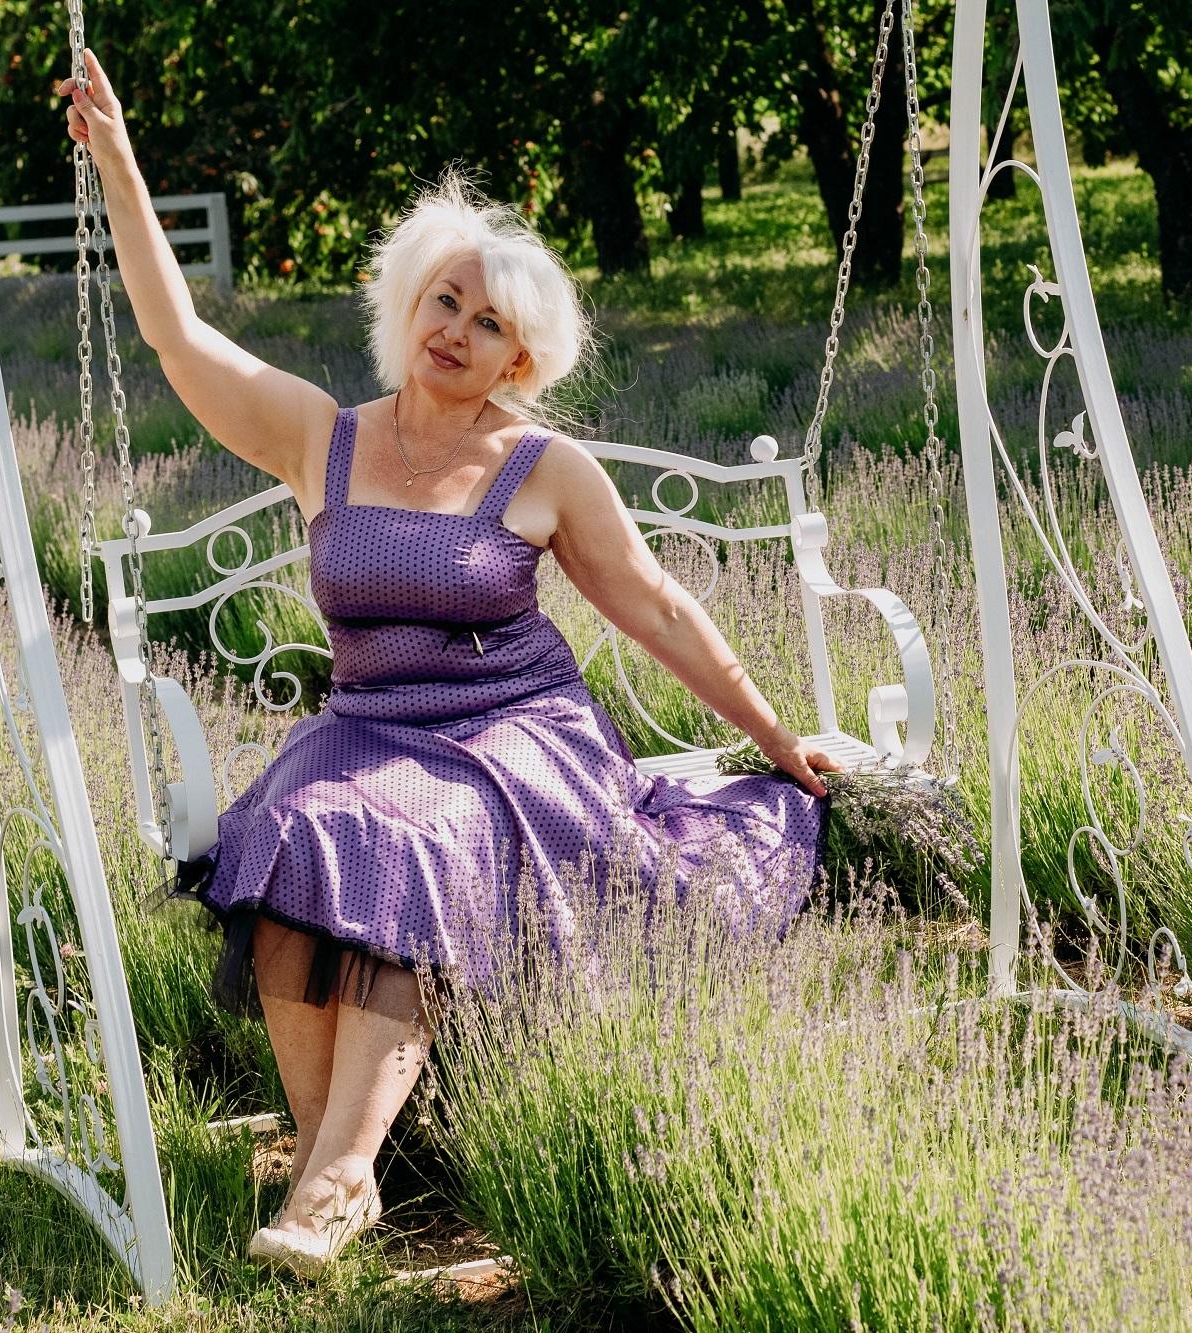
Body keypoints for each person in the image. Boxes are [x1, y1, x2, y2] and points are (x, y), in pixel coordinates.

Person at [59, 49, 838, 1278]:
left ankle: (337, 1175)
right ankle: (334, 1158)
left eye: (490, 327)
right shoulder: (319, 435)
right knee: (294, 827)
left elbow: (657, 606)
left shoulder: (542, 468)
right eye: (446, 302)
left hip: (509, 731)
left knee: (406, 837)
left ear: (517, 362)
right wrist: (117, 161)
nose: (457, 333)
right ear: (409, 305)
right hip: (367, 721)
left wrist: (772, 733)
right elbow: (176, 336)